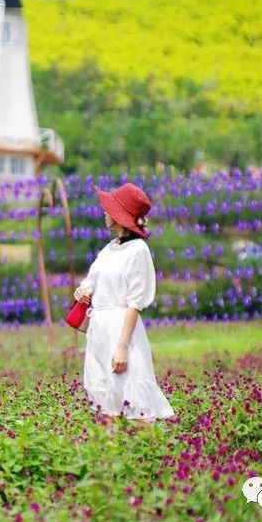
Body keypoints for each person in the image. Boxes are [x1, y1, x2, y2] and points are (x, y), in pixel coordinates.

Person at [73, 182, 175, 429]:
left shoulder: (138, 250)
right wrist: (83, 291)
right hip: (100, 332)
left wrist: (122, 347)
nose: (105, 213)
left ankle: (153, 462)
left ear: (120, 217)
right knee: (106, 408)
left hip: (122, 331)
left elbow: (135, 303)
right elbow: (93, 280)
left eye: (110, 210)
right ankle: (109, 464)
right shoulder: (110, 248)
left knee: (136, 407)